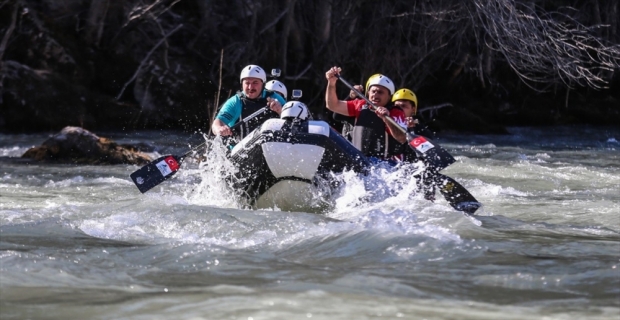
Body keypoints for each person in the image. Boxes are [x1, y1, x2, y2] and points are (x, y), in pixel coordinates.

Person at [325, 67, 407, 160]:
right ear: (368, 93)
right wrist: (331, 84)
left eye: (380, 92)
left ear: (389, 97)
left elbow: (402, 138)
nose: (375, 95)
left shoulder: (396, 112)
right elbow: (332, 105)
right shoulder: (360, 105)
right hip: (360, 160)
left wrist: (386, 119)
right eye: (373, 91)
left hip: (386, 163)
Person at [211, 64, 287, 139]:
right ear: (242, 85)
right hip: (241, 148)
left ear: (263, 84)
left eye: (255, 83)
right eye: (247, 83)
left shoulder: (275, 98)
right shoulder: (235, 101)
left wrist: (280, 111)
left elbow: (293, 122)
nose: (250, 87)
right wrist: (219, 129)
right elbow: (218, 122)